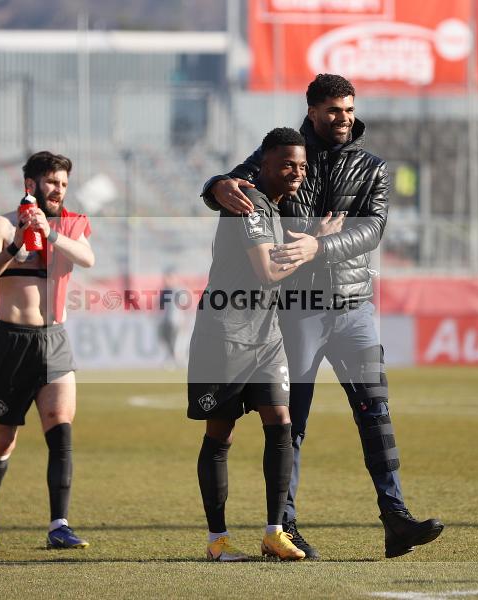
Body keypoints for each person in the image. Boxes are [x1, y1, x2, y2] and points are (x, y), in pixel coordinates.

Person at [202, 74, 443, 559]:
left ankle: (395, 518)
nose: (344, 118)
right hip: (296, 312)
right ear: (312, 110)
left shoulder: (373, 167)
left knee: (376, 413)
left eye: (349, 109)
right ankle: (284, 528)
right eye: (334, 109)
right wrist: (216, 185)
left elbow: (373, 229)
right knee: (293, 423)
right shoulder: (288, 155)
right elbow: (238, 190)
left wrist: (318, 244)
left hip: (355, 309)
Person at [188, 128, 311, 562]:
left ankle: (274, 533)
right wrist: (310, 251)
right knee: (221, 433)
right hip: (225, 334)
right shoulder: (252, 202)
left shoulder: (275, 208)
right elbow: (265, 272)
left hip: (266, 334)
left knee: (281, 422)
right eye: (286, 165)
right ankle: (217, 540)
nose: (296, 172)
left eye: (300, 165)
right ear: (265, 165)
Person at [0, 151, 94, 549]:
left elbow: (88, 258)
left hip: (54, 340)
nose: (57, 190)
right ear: (31, 185)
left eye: (63, 184)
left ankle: (59, 525)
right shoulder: (1, 225)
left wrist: (52, 234)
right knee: (3, 441)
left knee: (60, 431)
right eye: (51, 182)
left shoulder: (72, 224)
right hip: (11, 342)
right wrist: (15, 248)